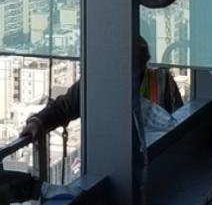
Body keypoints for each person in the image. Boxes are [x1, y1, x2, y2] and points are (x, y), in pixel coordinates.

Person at [19, 35, 183, 140]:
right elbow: (65, 106)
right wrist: (38, 122)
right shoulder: (99, 83)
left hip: (156, 156)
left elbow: (180, 122)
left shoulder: (161, 81)